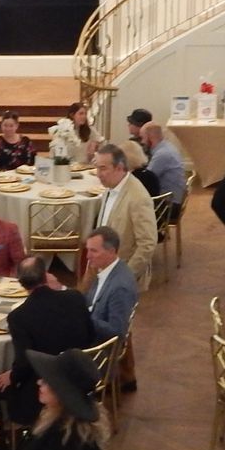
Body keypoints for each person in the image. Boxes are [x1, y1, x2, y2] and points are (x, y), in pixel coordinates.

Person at [0, 255, 97, 426]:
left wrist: (12, 375)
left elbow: (24, 362)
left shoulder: (19, 317)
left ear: (20, 283)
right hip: (79, 375)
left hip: (42, 388)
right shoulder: (75, 297)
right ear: (45, 275)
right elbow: (91, 336)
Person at [91, 144, 157, 287]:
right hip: (105, 271)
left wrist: (125, 276)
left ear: (119, 167)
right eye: (97, 168)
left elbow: (147, 244)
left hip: (122, 277)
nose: (98, 174)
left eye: (103, 168)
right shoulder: (111, 186)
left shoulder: (138, 198)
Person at [83, 227, 138, 345]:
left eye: (93, 251)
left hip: (96, 346)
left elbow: (117, 331)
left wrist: (84, 320)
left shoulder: (120, 288)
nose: (88, 256)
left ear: (111, 251)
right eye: (87, 250)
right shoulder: (104, 270)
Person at [142, 122, 188, 212]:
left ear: (149, 138)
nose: (142, 142)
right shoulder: (167, 147)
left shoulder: (162, 154)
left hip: (168, 205)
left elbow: (146, 181)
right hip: (174, 199)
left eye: (143, 138)